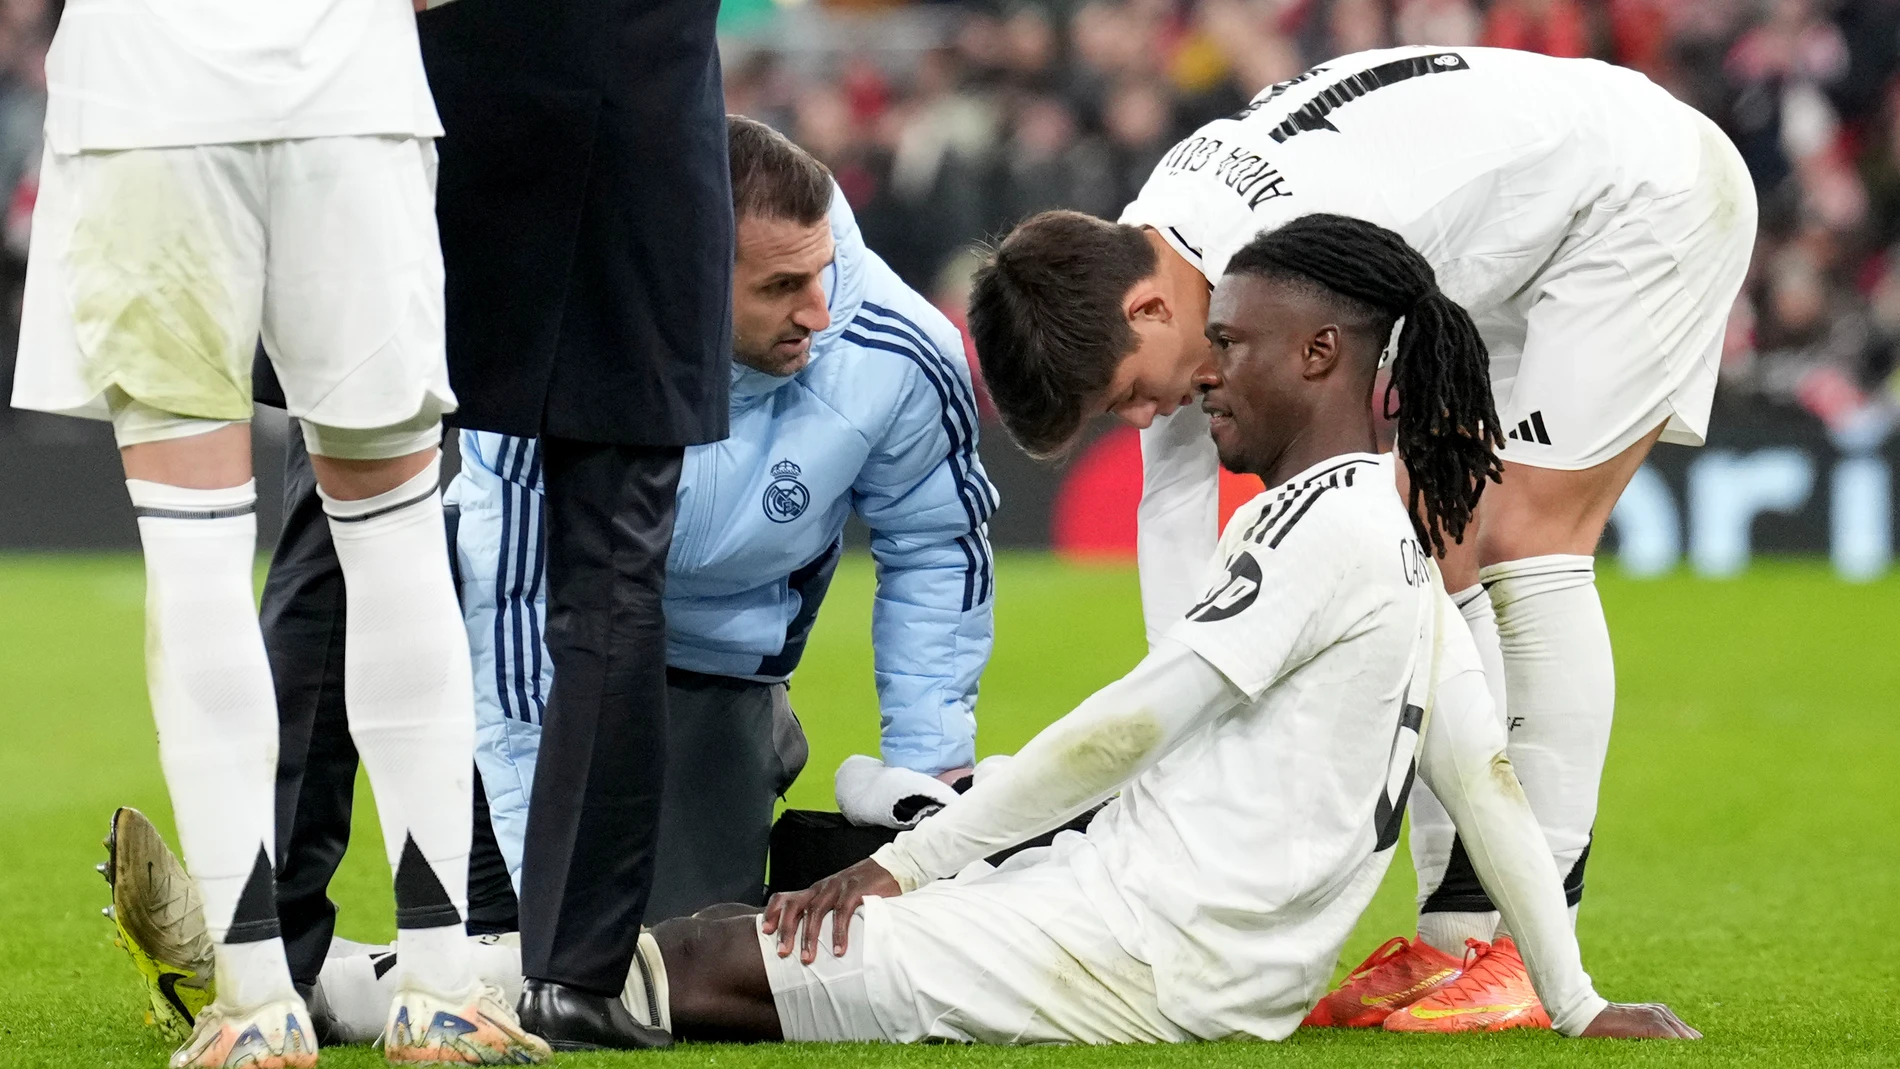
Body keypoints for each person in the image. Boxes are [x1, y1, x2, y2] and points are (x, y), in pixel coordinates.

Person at [108, 216, 1701, 1047]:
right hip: (1162, 919)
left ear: (1326, 349)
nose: (1208, 373)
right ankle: (350, 984)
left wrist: (911, 862)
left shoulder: (1328, 522)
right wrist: (1565, 996)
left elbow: (1122, 726)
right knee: (761, 900)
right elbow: (1485, 773)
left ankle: (330, 995)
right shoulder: (1390, 535)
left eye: (1232, 349)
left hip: (1142, 945)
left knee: (712, 962)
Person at [965, 46, 1758, 1025]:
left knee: (1523, 538)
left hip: (1644, 191)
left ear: (1150, 307)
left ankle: (1524, 946)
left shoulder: (1297, 255)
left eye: (1129, 394)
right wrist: (1189, 717)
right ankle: (1452, 940)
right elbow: (1170, 507)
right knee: (1430, 541)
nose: (1141, 417)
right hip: (1502, 247)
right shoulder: (1163, 263)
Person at [14, 1, 546, 1064]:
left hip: (147, 94)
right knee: (394, 536)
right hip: (349, 94)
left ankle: (255, 1003)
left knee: (195, 551)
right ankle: (442, 986)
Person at [451, 115, 997, 921]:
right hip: (548, 656)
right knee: (509, 940)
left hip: (719, 668)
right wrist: (546, 871)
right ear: (692, 272)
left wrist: (926, 782)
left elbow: (936, 548)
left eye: (822, 272)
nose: (817, 309)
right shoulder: (551, 329)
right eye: (780, 288)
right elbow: (510, 600)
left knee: (679, 964)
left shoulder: (903, 348)